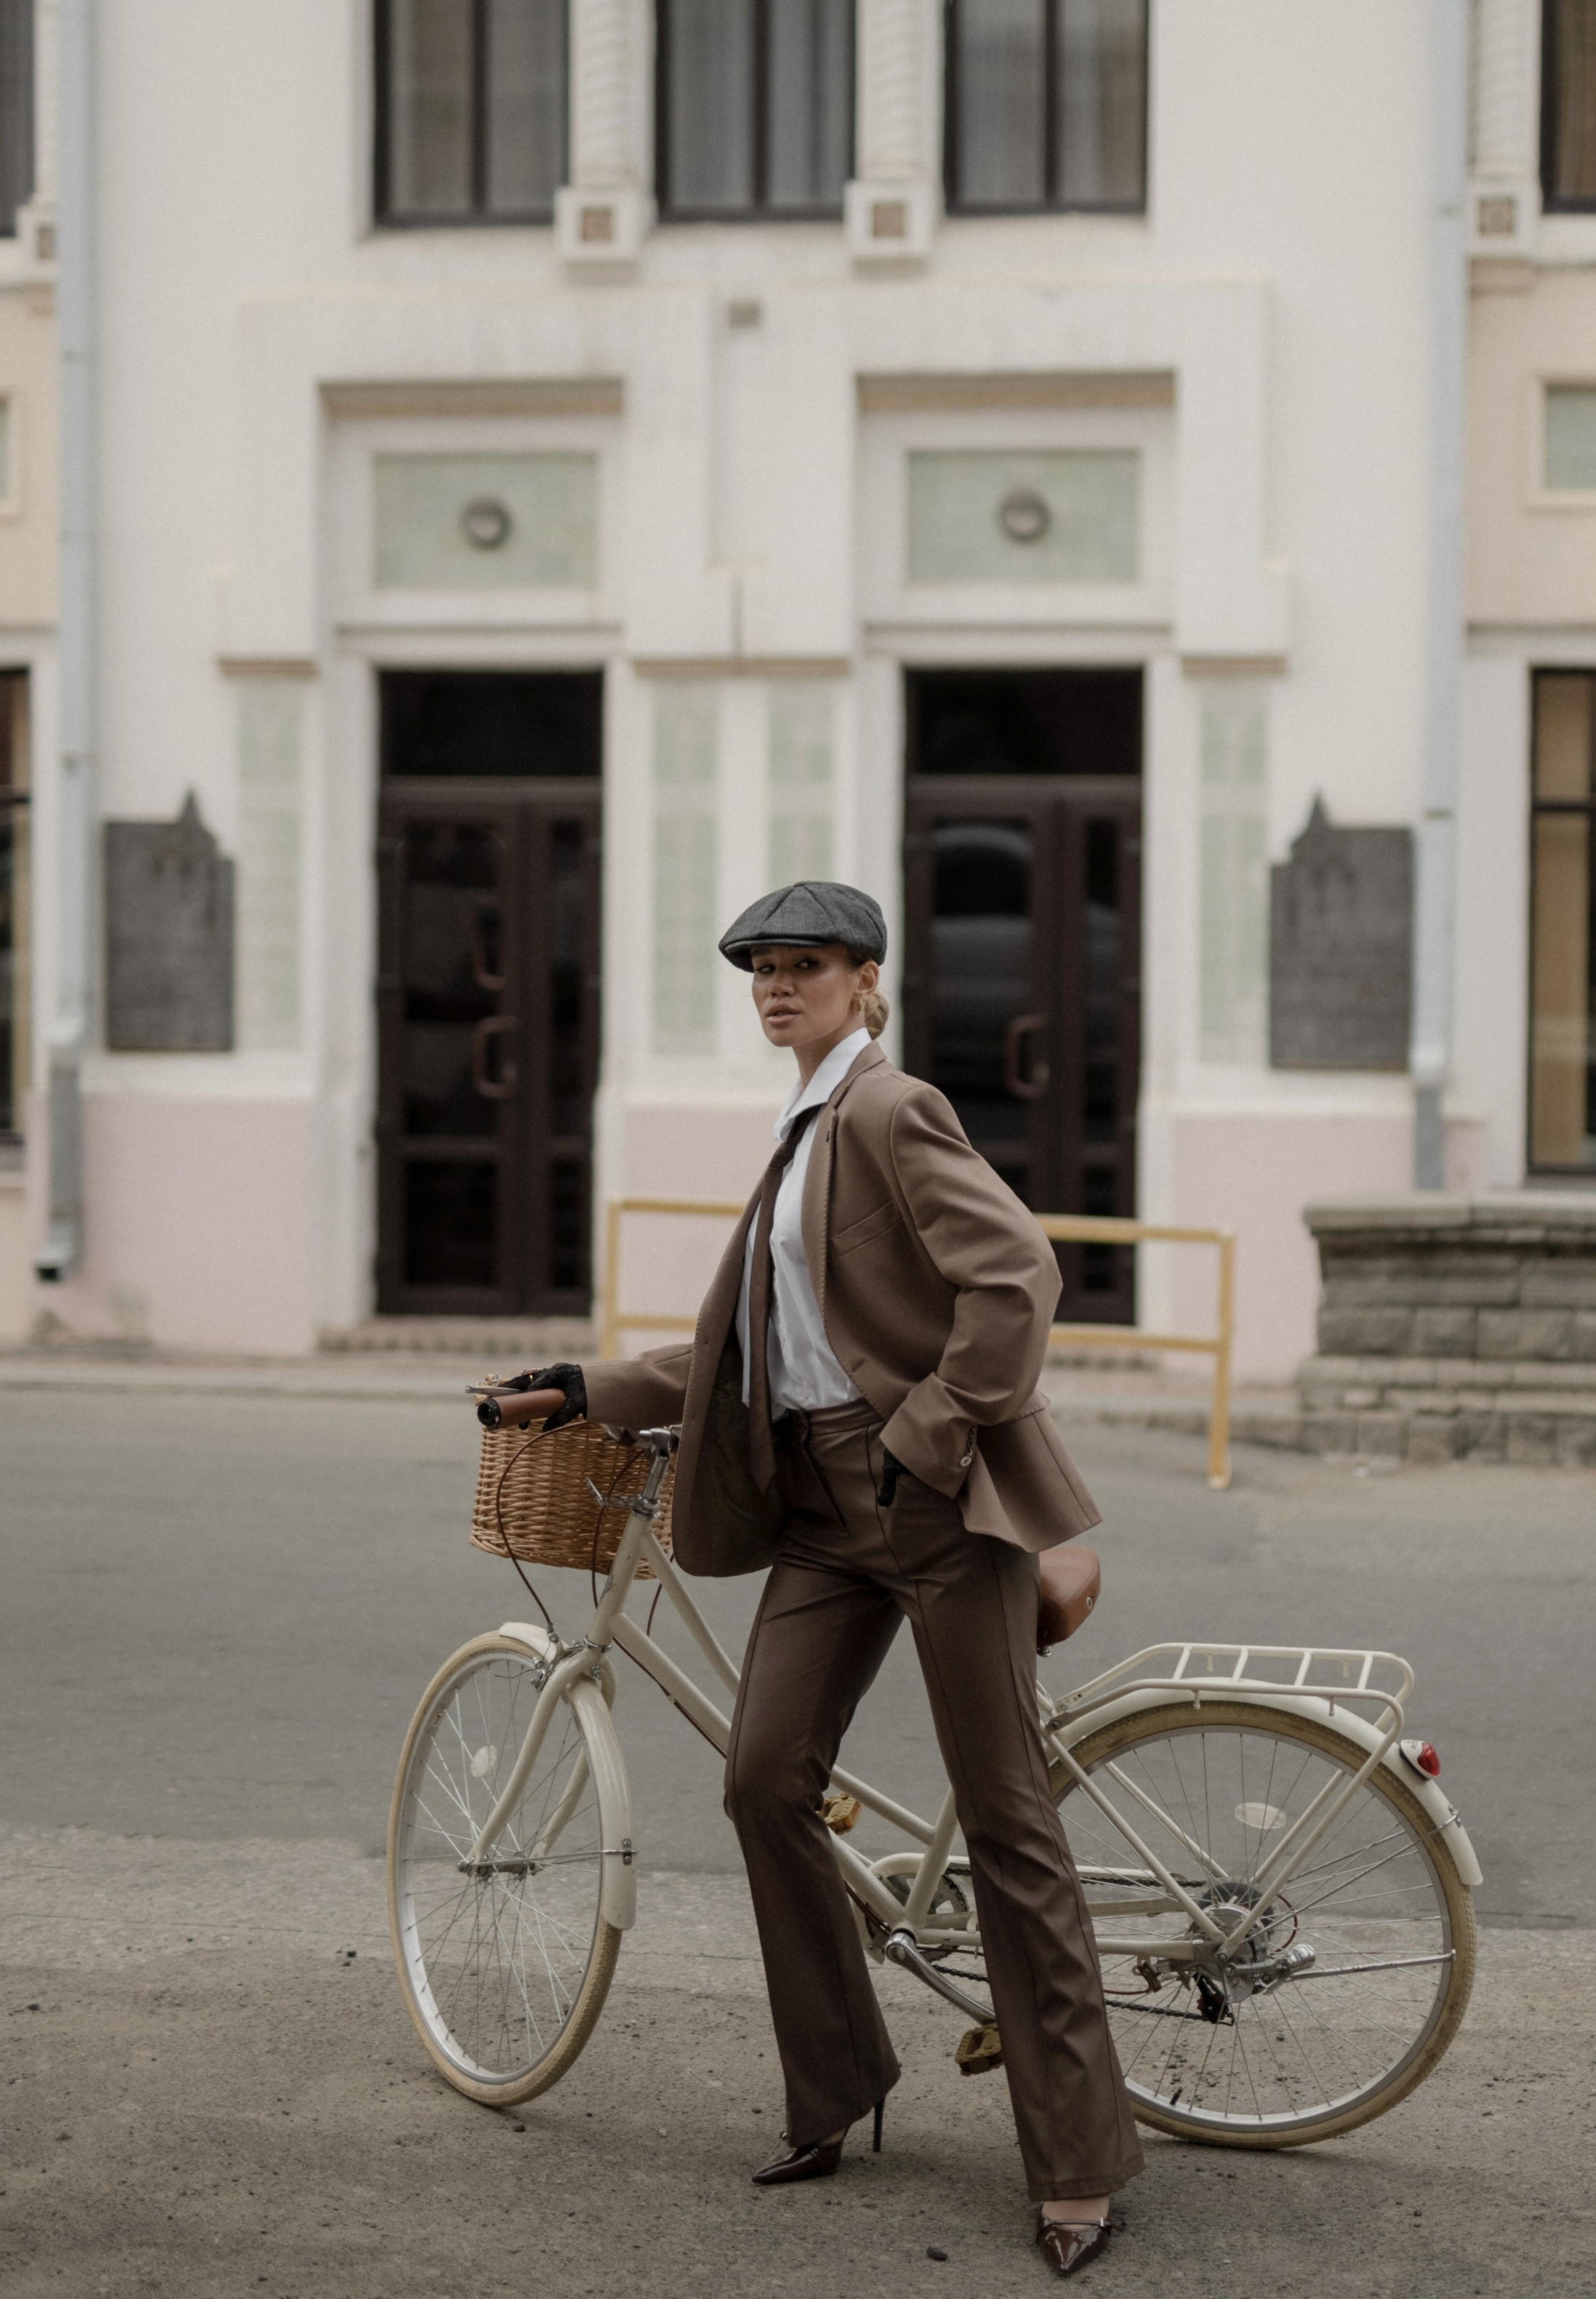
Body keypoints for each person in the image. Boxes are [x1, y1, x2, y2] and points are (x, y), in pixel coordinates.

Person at [508, 880, 1140, 2276]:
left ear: (867, 982)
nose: (779, 987)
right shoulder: (801, 1131)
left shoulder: (888, 1109)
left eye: (807, 966)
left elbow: (1018, 1278)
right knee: (762, 1774)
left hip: (923, 1502)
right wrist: (587, 1386)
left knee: (1005, 1818)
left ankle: (1081, 2166)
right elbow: (757, 1356)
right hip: (818, 1512)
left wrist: (924, 1441)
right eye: (762, 969)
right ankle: (838, 2090)